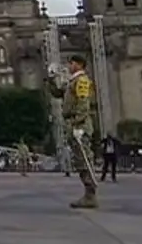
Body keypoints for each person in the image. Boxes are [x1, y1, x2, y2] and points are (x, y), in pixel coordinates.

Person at [48, 54, 98, 208]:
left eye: (71, 63)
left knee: (84, 159)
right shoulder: (72, 82)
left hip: (79, 125)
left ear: (78, 64)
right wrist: (51, 79)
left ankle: (90, 195)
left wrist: (78, 125)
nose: (69, 66)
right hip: (73, 124)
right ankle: (88, 193)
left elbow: (83, 104)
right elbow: (57, 93)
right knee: (79, 159)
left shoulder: (82, 81)